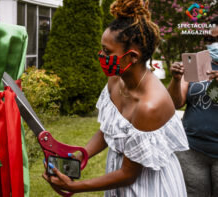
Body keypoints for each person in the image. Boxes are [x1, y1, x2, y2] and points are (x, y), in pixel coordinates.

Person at [42, 0, 189, 196]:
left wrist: (74, 187)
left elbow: (129, 174)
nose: (101, 55)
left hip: (149, 186)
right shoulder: (115, 80)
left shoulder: (150, 105)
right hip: (118, 175)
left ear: (133, 57)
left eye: (107, 51)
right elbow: (109, 130)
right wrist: (79, 157)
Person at [167, 16, 218, 197]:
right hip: (191, 151)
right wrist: (176, 79)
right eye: (210, 39)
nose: (213, 44)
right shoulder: (197, 63)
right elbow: (176, 103)